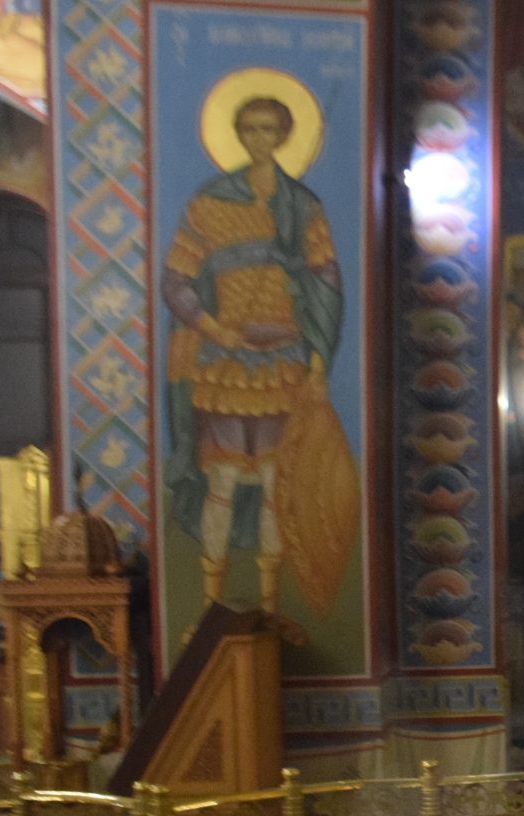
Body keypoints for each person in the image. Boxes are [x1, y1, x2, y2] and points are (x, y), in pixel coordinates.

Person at [163, 94, 354, 618]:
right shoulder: (208, 204)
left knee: (276, 485)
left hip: (284, 365)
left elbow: (325, 285)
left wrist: (318, 362)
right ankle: (211, 612)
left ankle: (269, 611)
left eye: (269, 128)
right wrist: (213, 329)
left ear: (285, 134)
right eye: (250, 128)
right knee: (221, 483)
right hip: (225, 368)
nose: (259, 138)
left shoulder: (303, 206)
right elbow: (176, 280)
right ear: (238, 134)